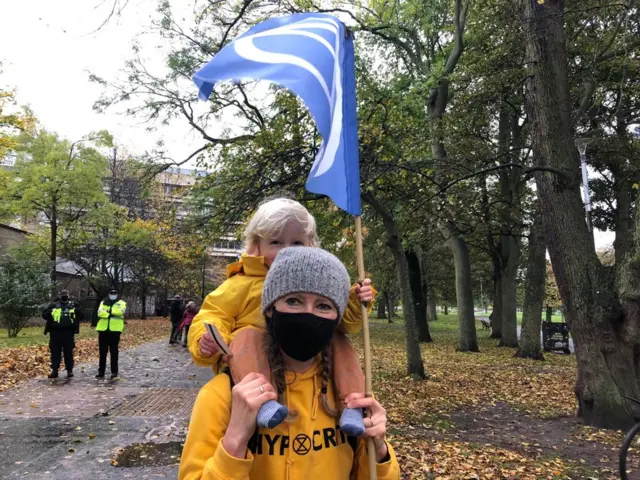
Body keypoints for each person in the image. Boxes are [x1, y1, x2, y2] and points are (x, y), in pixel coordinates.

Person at [179, 247, 399, 480]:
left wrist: (379, 450)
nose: (308, 314)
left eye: (323, 306)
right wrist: (235, 440)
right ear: (270, 309)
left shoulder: (352, 397)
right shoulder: (224, 395)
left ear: (337, 318)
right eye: (294, 301)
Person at [188, 197, 374, 436]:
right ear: (257, 246)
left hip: (307, 363)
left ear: (311, 246)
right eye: (276, 242)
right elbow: (214, 313)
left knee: (338, 340)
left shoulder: (316, 281)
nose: (286, 250)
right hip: (257, 360)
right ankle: (263, 401)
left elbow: (343, 323)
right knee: (247, 336)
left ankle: (352, 404)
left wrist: (357, 303)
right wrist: (209, 339)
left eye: (296, 242)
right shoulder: (241, 283)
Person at [42, 290, 83, 379]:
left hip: (68, 332)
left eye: (66, 295)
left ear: (68, 295)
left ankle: (69, 370)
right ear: (59, 296)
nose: (64, 296)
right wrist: (51, 311)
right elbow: (44, 315)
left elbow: (82, 315)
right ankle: (55, 370)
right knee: (55, 352)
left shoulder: (73, 305)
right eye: (62, 295)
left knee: (68, 352)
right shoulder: (53, 305)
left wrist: (76, 310)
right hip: (55, 332)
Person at [95, 288, 127, 379]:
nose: (113, 295)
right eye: (111, 293)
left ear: (117, 294)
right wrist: (110, 314)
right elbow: (99, 313)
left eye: (114, 293)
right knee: (102, 352)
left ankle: (114, 371)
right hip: (103, 330)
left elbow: (121, 312)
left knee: (114, 352)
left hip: (115, 330)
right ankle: (101, 371)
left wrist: (109, 312)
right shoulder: (103, 302)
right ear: (108, 294)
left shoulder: (121, 303)